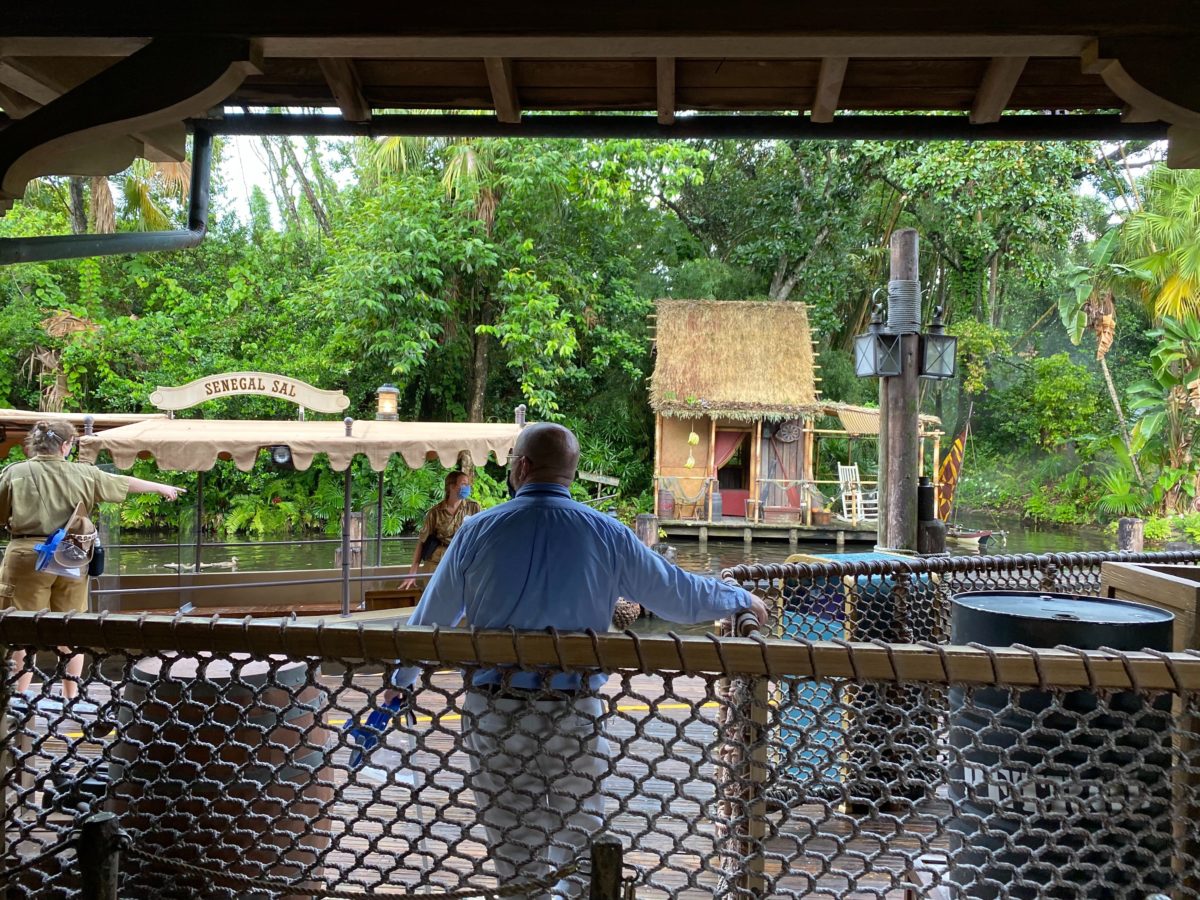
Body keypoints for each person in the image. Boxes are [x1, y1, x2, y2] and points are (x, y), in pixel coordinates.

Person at [391, 422, 767, 896]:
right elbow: (677, 595)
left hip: (495, 710)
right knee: (578, 841)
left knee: (514, 850)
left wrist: (400, 681)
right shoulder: (606, 533)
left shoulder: (476, 531)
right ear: (570, 472)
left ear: (522, 466)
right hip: (574, 712)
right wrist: (736, 598)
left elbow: (429, 621)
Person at [0, 419, 185, 716]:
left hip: (27, 555)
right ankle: (70, 696)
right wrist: (161, 487)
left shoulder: (15, 473)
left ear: (34, 445)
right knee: (71, 625)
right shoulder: (84, 474)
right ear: (65, 446)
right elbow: (125, 484)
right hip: (71, 555)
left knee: (20, 626)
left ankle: (19, 698)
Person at [399, 469, 479, 590]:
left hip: (461, 559)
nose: (468, 487)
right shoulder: (435, 512)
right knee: (434, 594)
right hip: (437, 560)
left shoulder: (473, 507)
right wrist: (412, 572)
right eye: (463, 484)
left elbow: (481, 535)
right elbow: (422, 541)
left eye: (468, 484)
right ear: (452, 487)